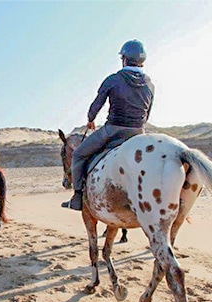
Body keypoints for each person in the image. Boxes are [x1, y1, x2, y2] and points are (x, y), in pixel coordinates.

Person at [61, 39, 155, 211]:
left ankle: (77, 196)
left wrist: (91, 119)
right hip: (139, 132)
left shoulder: (114, 79)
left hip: (113, 130)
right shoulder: (150, 84)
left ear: (124, 59)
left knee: (78, 155)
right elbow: (147, 114)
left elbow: (97, 104)